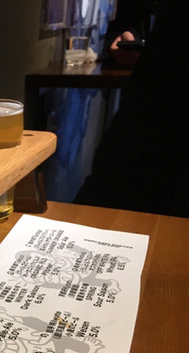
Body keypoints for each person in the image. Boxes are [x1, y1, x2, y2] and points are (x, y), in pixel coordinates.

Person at [74, 1, 189, 218]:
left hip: (158, 98)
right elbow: (130, 16)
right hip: (156, 97)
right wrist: (127, 34)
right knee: (109, 199)